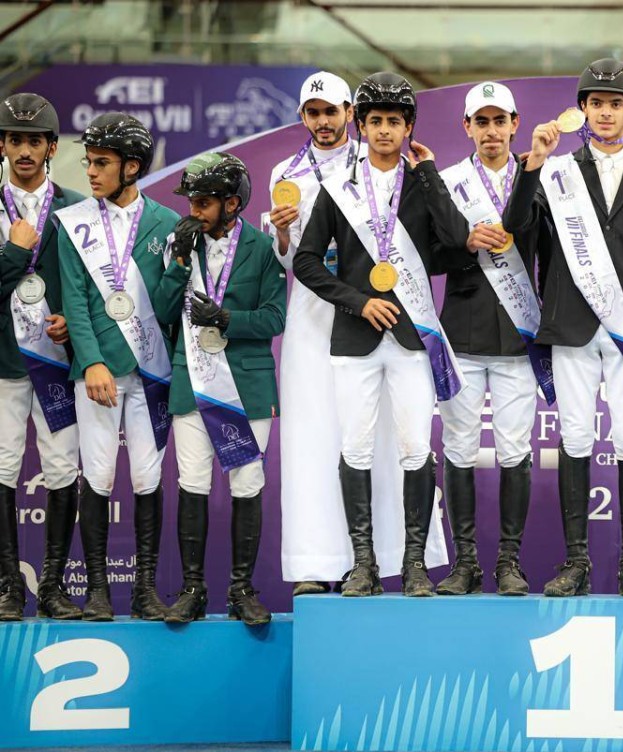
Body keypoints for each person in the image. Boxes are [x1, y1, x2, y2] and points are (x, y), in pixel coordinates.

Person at [504, 58, 623, 598]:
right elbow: (515, 228)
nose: (605, 112)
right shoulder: (556, 171)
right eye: (595, 103)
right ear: (581, 110)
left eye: (615, 104)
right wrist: (533, 162)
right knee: (575, 438)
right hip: (571, 324)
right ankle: (575, 562)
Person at [294, 72, 468, 597]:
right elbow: (306, 261)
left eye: (395, 121)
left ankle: (414, 565)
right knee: (356, 447)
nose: (385, 130)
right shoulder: (338, 189)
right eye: (375, 121)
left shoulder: (420, 184)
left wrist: (430, 172)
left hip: (413, 339)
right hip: (355, 338)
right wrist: (357, 300)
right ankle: (363, 564)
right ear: (361, 126)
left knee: (416, 448)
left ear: (408, 126)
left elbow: (456, 240)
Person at [268, 70, 398, 598]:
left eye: (331, 111)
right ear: (303, 116)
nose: (323, 121)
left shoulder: (373, 162)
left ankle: (372, 560)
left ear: (349, 113)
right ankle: (312, 562)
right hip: (310, 315)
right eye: (313, 113)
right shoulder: (285, 172)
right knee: (309, 437)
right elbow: (285, 260)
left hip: (367, 308)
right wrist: (281, 230)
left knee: (367, 434)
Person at [153, 152, 286, 626]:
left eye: (204, 202)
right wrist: (178, 261)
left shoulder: (263, 247)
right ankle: (192, 589)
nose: (194, 210)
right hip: (192, 382)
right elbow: (163, 311)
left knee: (247, 484)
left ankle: (241, 590)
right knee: (192, 483)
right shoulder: (180, 245)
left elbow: (275, 318)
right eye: (191, 201)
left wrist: (227, 318)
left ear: (232, 203)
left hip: (246, 385)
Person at [57, 113, 177, 622]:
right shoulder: (73, 223)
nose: (90, 171)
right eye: (89, 161)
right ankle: (98, 592)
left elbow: (170, 303)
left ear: (132, 167)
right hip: (99, 373)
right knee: (99, 475)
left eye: (101, 162)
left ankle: (145, 590)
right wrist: (90, 363)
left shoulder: (168, 223)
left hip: (151, 371)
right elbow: (74, 299)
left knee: (148, 476)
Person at [435, 81, 553, 596]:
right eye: (480, 122)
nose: (491, 131)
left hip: (517, 338)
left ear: (514, 124)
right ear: (467, 127)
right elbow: (428, 255)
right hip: (462, 333)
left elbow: (546, 255)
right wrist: (464, 244)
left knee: (514, 450)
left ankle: (509, 563)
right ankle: (465, 564)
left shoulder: (537, 178)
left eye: (499, 121)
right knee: (458, 448)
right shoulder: (447, 182)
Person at [0, 93, 85, 621]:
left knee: (61, 468)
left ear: (52, 147)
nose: (25, 151)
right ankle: (9, 586)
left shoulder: (76, 209)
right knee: (2, 467)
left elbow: (91, 287)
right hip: (4, 363)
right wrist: (14, 252)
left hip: (56, 361)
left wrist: (72, 321)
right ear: (2, 146)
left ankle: (52, 586)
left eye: (35, 141)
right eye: (16, 140)